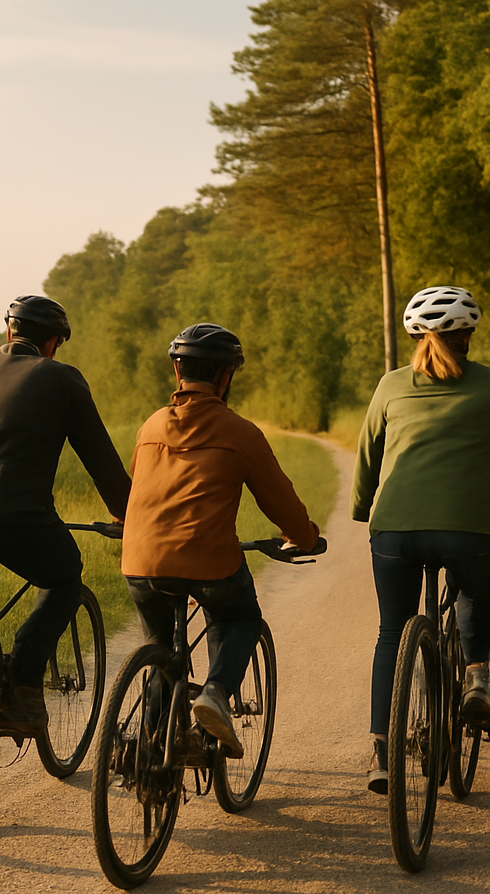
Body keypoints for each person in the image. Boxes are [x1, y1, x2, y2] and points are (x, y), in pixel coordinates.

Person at [0, 295, 131, 735]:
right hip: (10, 515)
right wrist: (129, 514)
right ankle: (22, 680)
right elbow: (101, 460)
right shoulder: (61, 378)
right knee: (64, 575)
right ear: (54, 342)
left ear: (9, 331)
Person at [121, 323, 320, 758]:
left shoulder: (150, 425)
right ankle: (215, 693)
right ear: (226, 375)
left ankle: (150, 749)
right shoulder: (240, 432)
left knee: (159, 649)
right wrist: (303, 537)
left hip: (141, 561)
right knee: (241, 617)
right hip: (209, 563)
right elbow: (280, 501)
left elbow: (141, 489)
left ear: (178, 371)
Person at [352, 285, 490, 794]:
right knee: (475, 591)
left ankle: (382, 755)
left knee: (392, 631)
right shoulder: (488, 384)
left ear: (417, 337)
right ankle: (478, 676)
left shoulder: (391, 384)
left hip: (394, 530)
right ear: (467, 337)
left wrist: (362, 509)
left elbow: (369, 453)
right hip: (467, 529)